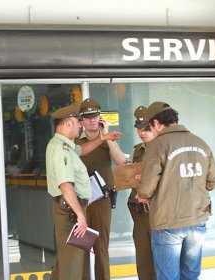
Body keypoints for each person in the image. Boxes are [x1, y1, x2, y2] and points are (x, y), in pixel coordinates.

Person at [137, 101, 215, 280]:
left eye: (150, 127)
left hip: (168, 221)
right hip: (197, 219)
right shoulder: (200, 143)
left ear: (157, 123)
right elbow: (212, 182)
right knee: (190, 274)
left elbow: (146, 189)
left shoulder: (158, 145)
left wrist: (143, 194)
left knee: (168, 276)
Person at [46, 102, 122, 280]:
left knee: (72, 256)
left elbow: (82, 150)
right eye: (78, 121)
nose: (81, 124)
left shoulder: (64, 145)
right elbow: (65, 185)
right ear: (68, 124)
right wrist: (81, 215)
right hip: (71, 209)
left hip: (83, 205)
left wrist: (104, 138)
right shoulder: (62, 149)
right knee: (73, 258)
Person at [75, 98, 126, 280]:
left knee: (101, 248)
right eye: (88, 117)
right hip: (80, 202)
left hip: (101, 201)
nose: (92, 120)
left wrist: (107, 136)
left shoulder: (108, 140)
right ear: (81, 121)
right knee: (81, 248)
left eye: (95, 116)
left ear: (100, 118)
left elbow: (121, 161)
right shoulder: (75, 142)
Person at [127, 105, 157, 280]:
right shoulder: (137, 151)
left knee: (162, 260)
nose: (142, 132)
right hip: (139, 213)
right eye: (139, 128)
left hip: (158, 212)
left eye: (145, 128)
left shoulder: (163, 149)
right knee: (144, 261)